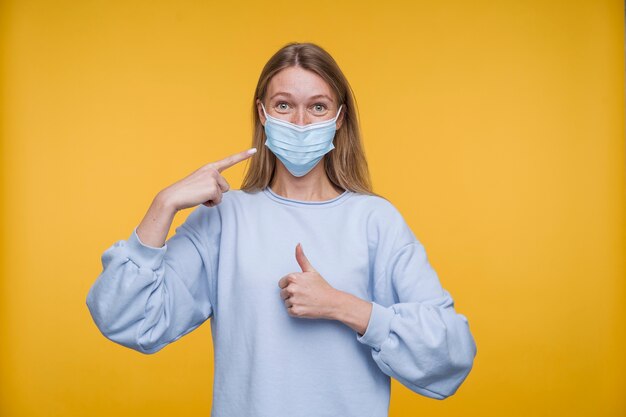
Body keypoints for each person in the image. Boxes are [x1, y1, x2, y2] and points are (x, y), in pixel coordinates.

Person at [86, 42, 477, 417]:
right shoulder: (224, 218)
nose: (301, 123)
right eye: (285, 105)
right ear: (263, 113)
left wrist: (341, 306)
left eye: (318, 107)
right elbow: (126, 318)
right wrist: (163, 205)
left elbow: (451, 353)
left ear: (339, 118)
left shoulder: (376, 221)